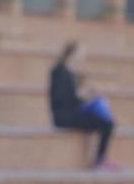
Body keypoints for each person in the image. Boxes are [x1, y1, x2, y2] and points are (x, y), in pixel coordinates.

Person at [48, 41, 116, 170]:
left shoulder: (70, 72)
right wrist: (80, 95)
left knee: (106, 120)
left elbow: (73, 98)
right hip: (64, 117)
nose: (83, 56)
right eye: (81, 52)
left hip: (72, 113)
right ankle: (99, 159)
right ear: (72, 53)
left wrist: (85, 97)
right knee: (106, 123)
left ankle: (100, 158)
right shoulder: (59, 71)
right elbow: (60, 98)